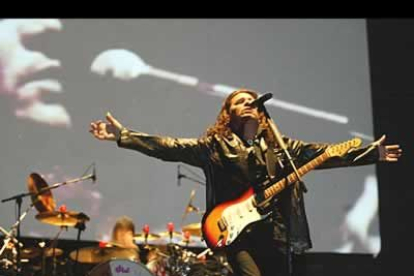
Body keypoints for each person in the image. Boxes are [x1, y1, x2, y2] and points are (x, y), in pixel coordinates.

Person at [89, 89, 402, 276]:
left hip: (277, 233)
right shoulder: (214, 146)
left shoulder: (281, 147)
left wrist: (372, 153)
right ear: (229, 113)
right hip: (236, 235)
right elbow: (168, 146)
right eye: (241, 101)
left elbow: (326, 154)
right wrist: (124, 136)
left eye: (253, 100)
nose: (249, 102)